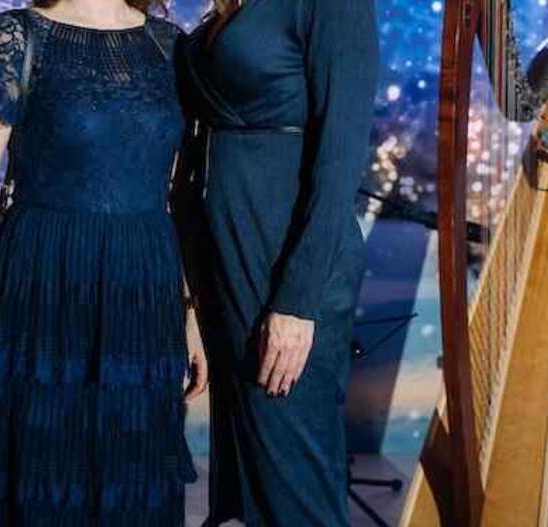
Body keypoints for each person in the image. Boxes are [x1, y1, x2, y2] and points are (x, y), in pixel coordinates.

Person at [0, 1, 208, 524]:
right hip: (47, 281)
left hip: (143, 286)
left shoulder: (170, 45)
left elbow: (183, 195)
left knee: (138, 483)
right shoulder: (16, 37)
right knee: (44, 482)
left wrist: (192, 311)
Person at [176, 0, 380, 524]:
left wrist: (296, 302)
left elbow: (340, 162)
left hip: (283, 272)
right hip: (224, 263)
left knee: (294, 488)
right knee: (248, 489)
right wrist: (193, 299)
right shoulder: (225, 10)